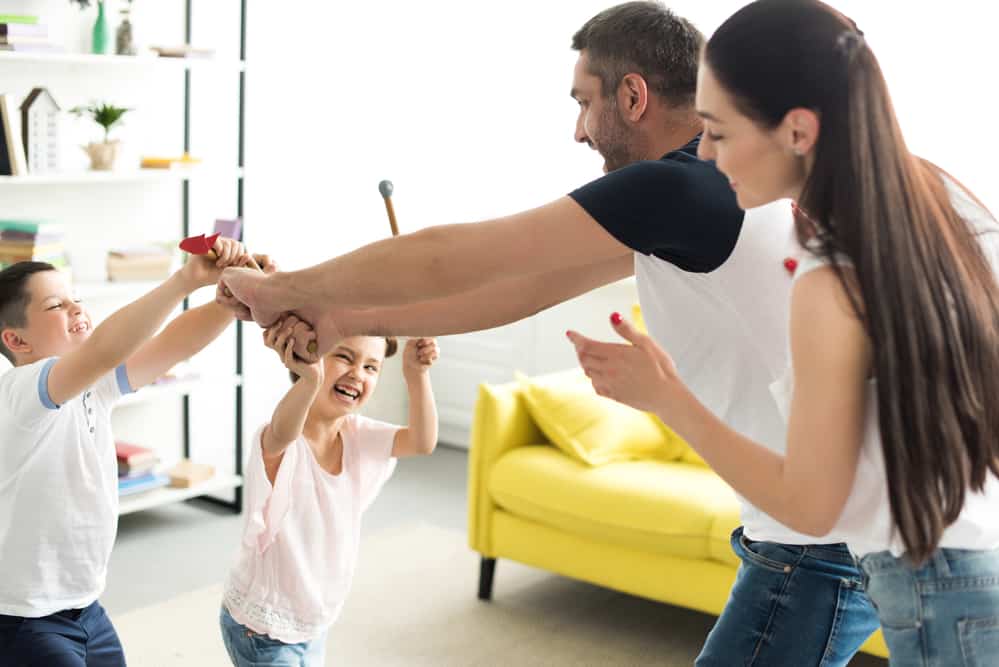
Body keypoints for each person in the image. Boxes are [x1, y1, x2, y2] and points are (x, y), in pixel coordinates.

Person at [216, 3, 880, 664]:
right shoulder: (692, 199)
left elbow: (460, 254)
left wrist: (286, 292)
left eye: (583, 101)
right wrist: (342, 321)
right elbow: (519, 289)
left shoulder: (681, 187)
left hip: (814, 546)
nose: (577, 130)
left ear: (631, 94)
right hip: (814, 537)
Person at [567, 0, 999, 664]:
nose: (703, 153)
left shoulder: (829, 283)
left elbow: (809, 507)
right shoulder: (942, 201)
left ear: (796, 130)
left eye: (716, 130)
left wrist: (668, 399)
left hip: (941, 597)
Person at [0, 238, 261, 666]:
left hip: (86, 607)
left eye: (76, 299)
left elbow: (172, 345)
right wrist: (184, 280)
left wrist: (230, 302)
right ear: (16, 340)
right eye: (55, 306)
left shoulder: (94, 385)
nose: (76, 309)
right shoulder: (18, 392)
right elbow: (107, 347)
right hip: (26, 619)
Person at [218, 317, 439, 666]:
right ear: (312, 357)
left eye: (371, 367)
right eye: (344, 357)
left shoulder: (359, 436)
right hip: (262, 628)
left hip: (313, 622)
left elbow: (422, 442)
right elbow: (282, 430)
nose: (357, 374)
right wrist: (310, 379)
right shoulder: (281, 439)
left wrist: (417, 375)